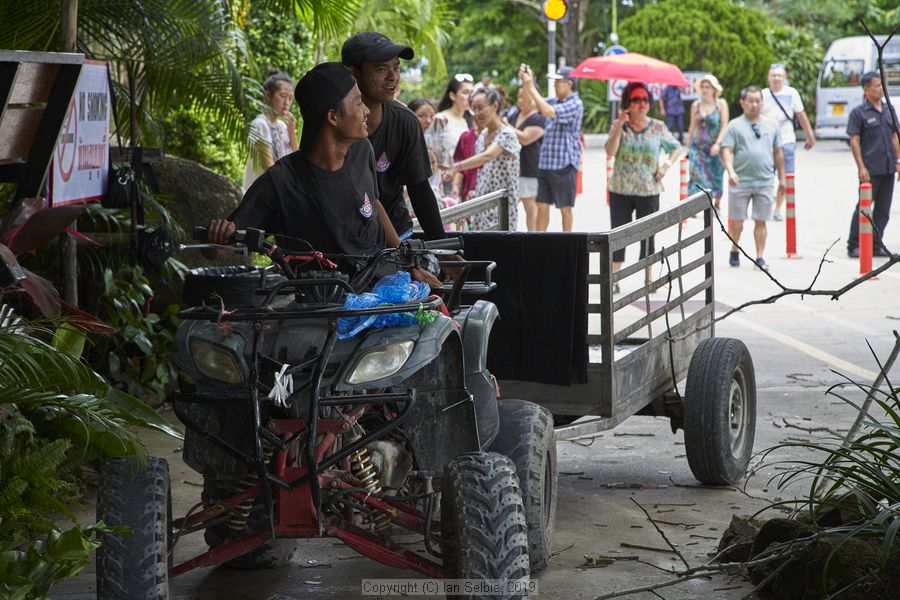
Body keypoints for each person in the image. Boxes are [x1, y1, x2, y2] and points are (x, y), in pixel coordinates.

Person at [207, 62, 440, 288]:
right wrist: (219, 237)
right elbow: (218, 250)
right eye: (359, 103)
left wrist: (407, 260)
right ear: (333, 117)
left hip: (383, 291)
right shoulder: (281, 181)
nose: (366, 110)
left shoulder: (362, 150)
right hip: (324, 305)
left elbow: (373, 202)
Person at [340, 32, 445, 241]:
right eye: (381, 69)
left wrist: (442, 248)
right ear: (354, 74)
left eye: (396, 67)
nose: (393, 76)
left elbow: (420, 189)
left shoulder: (405, 121)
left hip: (398, 234)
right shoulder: (333, 122)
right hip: (346, 240)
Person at [605, 82, 682, 291]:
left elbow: (676, 147)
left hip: (648, 189)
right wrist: (619, 125)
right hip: (621, 188)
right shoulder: (620, 125)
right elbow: (610, 151)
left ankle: (648, 278)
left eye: (645, 100)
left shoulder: (657, 126)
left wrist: (665, 166)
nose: (641, 104)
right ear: (627, 103)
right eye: (636, 100)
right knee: (619, 233)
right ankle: (614, 278)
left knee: (648, 233)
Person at [720, 85, 785, 271]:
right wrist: (731, 171)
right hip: (740, 181)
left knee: (761, 220)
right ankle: (734, 248)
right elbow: (727, 151)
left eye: (758, 101)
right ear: (742, 103)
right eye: (750, 101)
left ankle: (759, 257)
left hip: (764, 181)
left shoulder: (772, 125)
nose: (754, 105)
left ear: (762, 103)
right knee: (737, 222)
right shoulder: (734, 126)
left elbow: (778, 152)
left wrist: (782, 177)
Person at [519, 64, 584, 232]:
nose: (554, 86)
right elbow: (531, 103)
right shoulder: (555, 100)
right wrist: (527, 82)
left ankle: (567, 244)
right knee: (541, 205)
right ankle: (542, 243)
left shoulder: (575, 103)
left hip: (564, 164)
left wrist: (531, 84)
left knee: (565, 208)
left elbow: (547, 111)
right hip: (546, 163)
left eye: (558, 82)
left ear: (569, 83)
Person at [846, 72, 900, 258]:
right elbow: (854, 141)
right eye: (877, 86)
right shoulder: (858, 113)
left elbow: (895, 137)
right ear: (866, 89)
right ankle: (854, 244)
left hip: (888, 167)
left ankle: (876, 245)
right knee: (864, 207)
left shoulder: (888, 110)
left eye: (881, 85)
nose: (880, 89)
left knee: (883, 211)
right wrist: (861, 167)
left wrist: (898, 161)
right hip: (870, 169)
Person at [451, 88, 521, 231]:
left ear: (495, 106)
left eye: (481, 108)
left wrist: (456, 167)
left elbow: (487, 156)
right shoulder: (482, 136)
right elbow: (482, 171)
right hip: (482, 204)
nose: (477, 114)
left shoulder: (507, 134)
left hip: (502, 206)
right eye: (474, 109)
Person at [762, 63, 816, 220]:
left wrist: (810, 135)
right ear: (768, 77)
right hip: (766, 142)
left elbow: (801, 115)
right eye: (773, 75)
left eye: (779, 75)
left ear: (785, 77)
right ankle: (766, 206)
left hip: (787, 140)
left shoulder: (791, 93)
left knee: (786, 176)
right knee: (766, 176)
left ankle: (778, 209)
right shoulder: (763, 94)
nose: (776, 78)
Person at [243, 70, 299, 192]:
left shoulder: (283, 127)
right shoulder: (259, 125)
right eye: (283, 96)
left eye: (290, 98)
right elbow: (270, 167)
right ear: (268, 95)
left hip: (278, 192)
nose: (287, 103)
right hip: (262, 195)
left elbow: (298, 160)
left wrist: (291, 132)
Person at [684, 74, 728, 208]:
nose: (705, 90)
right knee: (697, 175)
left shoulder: (721, 104)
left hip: (715, 147)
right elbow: (692, 127)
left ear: (714, 89)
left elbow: (724, 126)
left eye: (708, 87)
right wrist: (687, 147)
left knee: (717, 176)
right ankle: (696, 205)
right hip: (698, 147)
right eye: (703, 87)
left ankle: (717, 204)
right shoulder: (696, 105)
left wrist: (718, 143)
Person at [506, 85, 546, 231]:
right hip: (513, 170)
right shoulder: (514, 114)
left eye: (525, 97)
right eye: (519, 96)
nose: (520, 100)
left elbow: (525, 138)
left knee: (531, 208)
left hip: (530, 169)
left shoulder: (539, 118)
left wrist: (505, 125)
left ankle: (533, 238)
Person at [435, 74, 475, 171]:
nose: (470, 97)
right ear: (452, 95)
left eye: (472, 93)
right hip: (443, 177)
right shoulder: (440, 118)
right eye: (465, 92)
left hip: (463, 178)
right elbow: (431, 152)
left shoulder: (469, 122)